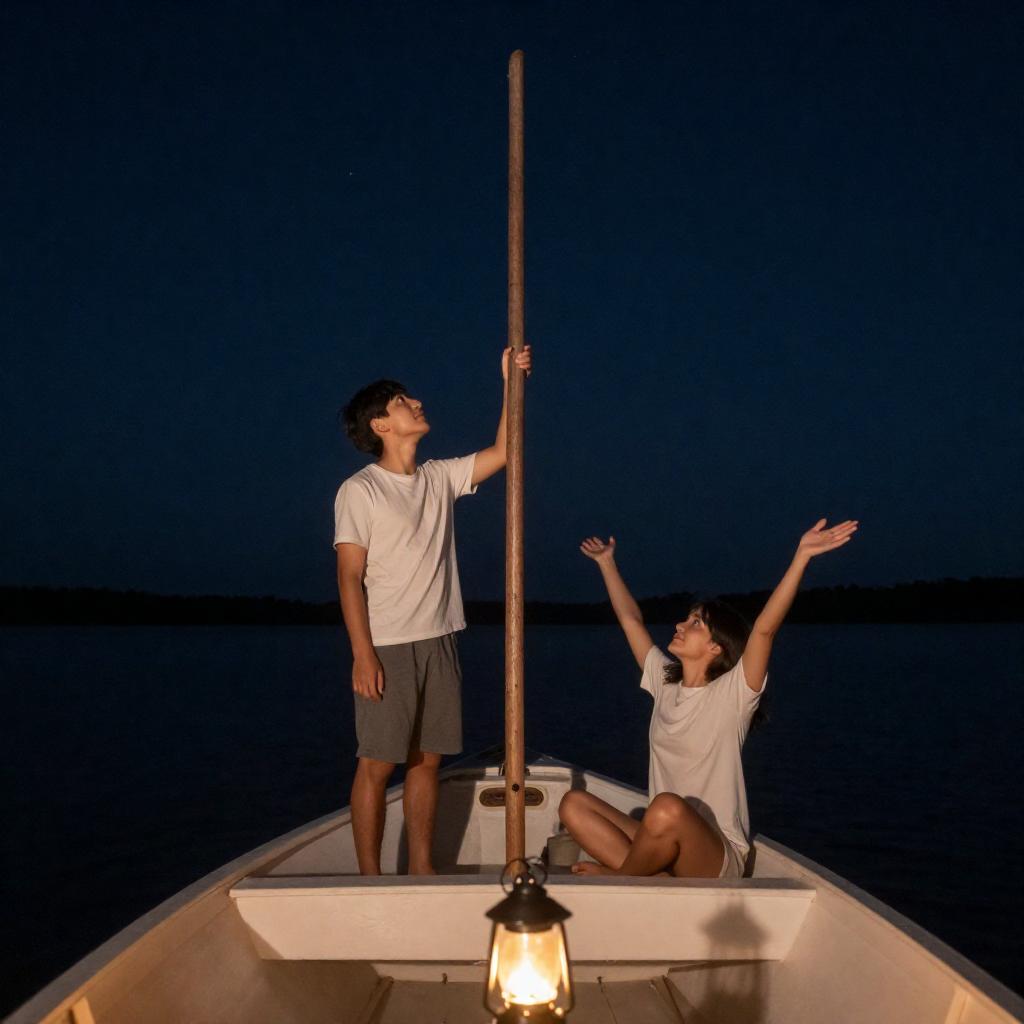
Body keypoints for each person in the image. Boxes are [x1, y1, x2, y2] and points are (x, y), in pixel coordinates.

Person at [559, 518, 858, 878]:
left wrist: (802, 557)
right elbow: (631, 621)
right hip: (664, 839)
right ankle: (649, 877)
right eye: (686, 619)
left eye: (695, 624)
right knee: (573, 803)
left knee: (666, 808)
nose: (680, 626)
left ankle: (624, 878)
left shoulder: (733, 695)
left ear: (716, 647)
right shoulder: (664, 682)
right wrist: (607, 563)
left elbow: (764, 630)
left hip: (715, 854)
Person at [334, 345, 532, 875]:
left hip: (441, 637)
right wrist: (363, 654)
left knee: (427, 761)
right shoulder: (360, 490)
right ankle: (370, 878)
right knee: (378, 764)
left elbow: (504, 451)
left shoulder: (438, 477)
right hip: (388, 645)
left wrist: (510, 381)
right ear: (380, 425)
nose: (416, 402)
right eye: (402, 401)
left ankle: (421, 870)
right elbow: (349, 576)